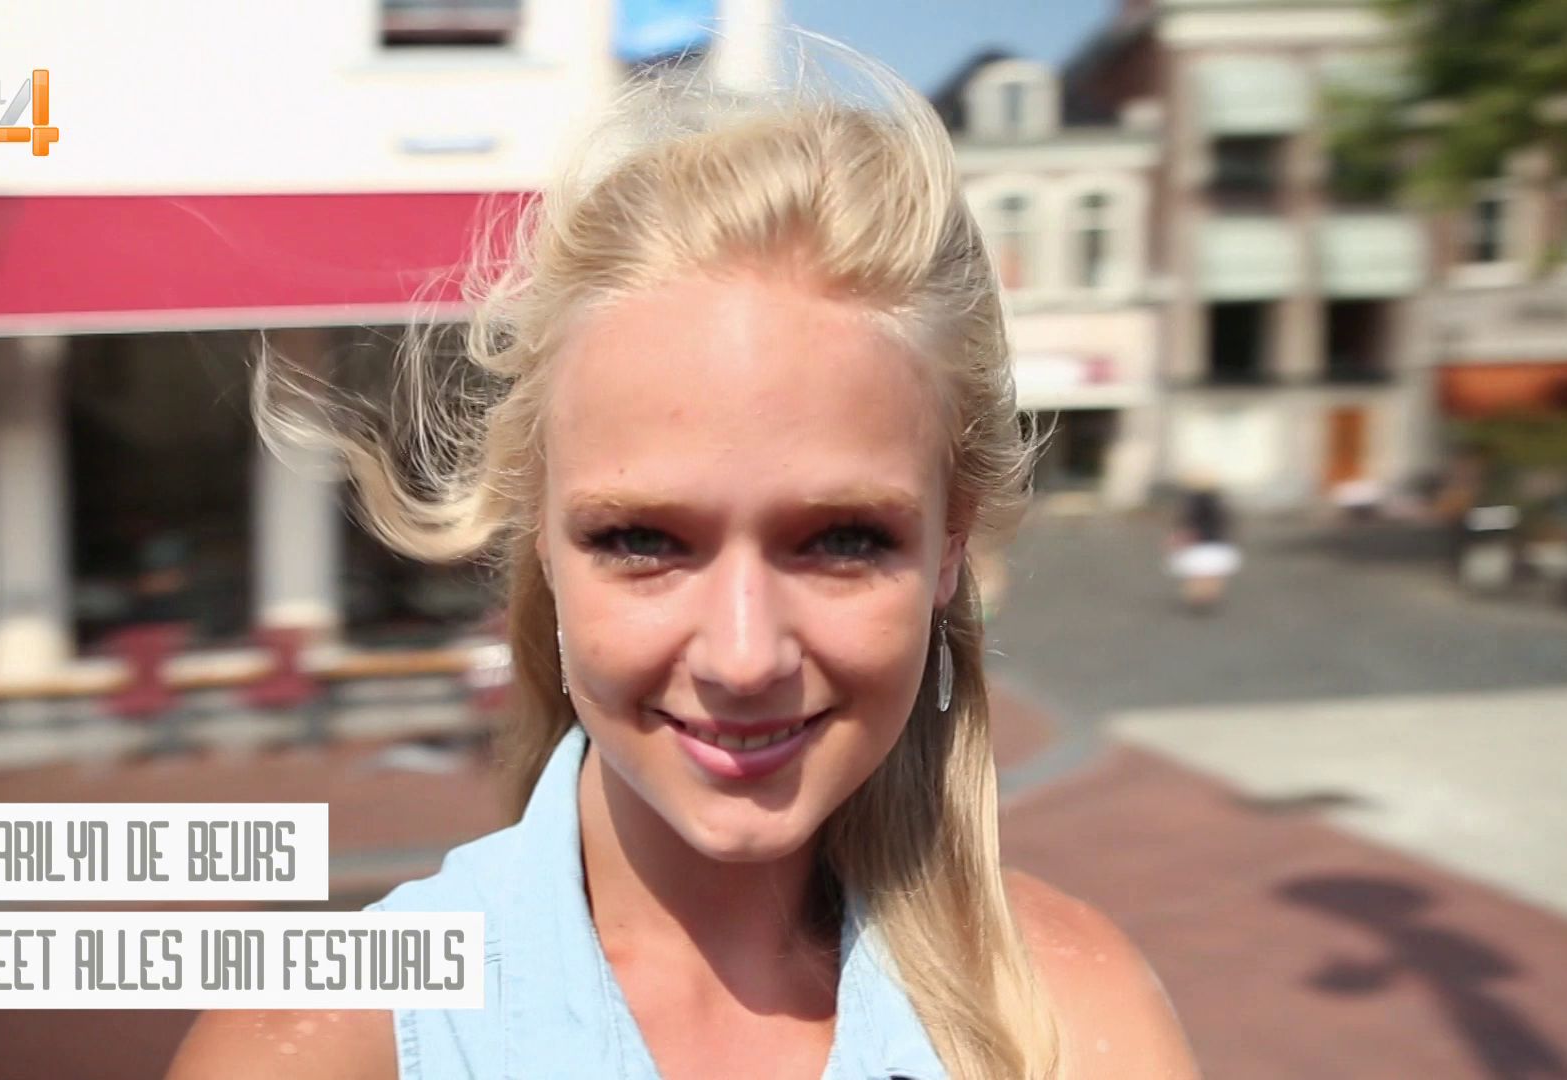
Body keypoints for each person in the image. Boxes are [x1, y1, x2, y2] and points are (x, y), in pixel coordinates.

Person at [167, 37, 1196, 1080]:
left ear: (949, 547)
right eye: (642, 541)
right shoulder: (332, 1042)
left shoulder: (1069, 1015)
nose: (743, 658)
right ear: (541, 540)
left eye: (844, 541)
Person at [1166, 474, 1240, 614]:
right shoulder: (1219, 504)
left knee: (1197, 574)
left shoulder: (1192, 505)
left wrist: (1179, 539)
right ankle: (1206, 597)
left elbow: (1188, 524)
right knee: (1212, 573)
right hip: (1217, 544)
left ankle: (1199, 598)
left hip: (1199, 545)